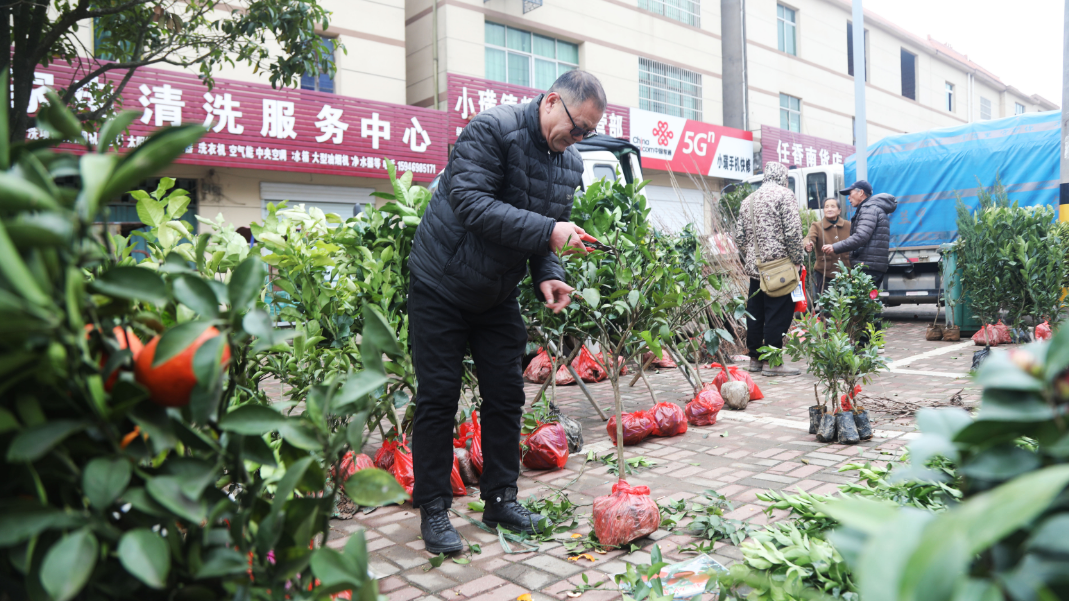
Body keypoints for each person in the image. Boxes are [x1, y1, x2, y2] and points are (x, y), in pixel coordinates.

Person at [406, 70, 606, 554]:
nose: (578, 138)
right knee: (438, 398)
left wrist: (548, 272)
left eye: (588, 133)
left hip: (495, 293)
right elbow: (471, 204)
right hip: (440, 283)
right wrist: (550, 233)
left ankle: (500, 499)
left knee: (506, 395)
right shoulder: (492, 129)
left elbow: (547, 229)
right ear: (552, 102)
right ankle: (433, 508)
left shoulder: (569, 163)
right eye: (577, 127)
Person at [736, 162, 804, 376]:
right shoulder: (784, 195)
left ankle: (755, 359)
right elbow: (793, 232)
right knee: (778, 314)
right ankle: (773, 363)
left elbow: (739, 238)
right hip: (779, 268)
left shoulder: (748, 200)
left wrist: (753, 257)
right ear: (783, 177)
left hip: (756, 269)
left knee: (755, 313)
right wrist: (797, 259)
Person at [821, 180, 898, 288]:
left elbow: (860, 237)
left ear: (861, 192)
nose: (848, 198)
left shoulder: (869, 209)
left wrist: (834, 247)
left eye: (850, 193)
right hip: (873, 265)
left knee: (861, 298)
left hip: (867, 267)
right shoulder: (874, 208)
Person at [803, 197, 851, 294]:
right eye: (826, 207)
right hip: (825, 273)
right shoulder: (817, 226)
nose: (829, 209)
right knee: (826, 301)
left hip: (846, 272)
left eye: (833, 206)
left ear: (839, 210)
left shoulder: (848, 225)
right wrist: (808, 244)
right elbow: (809, 238)